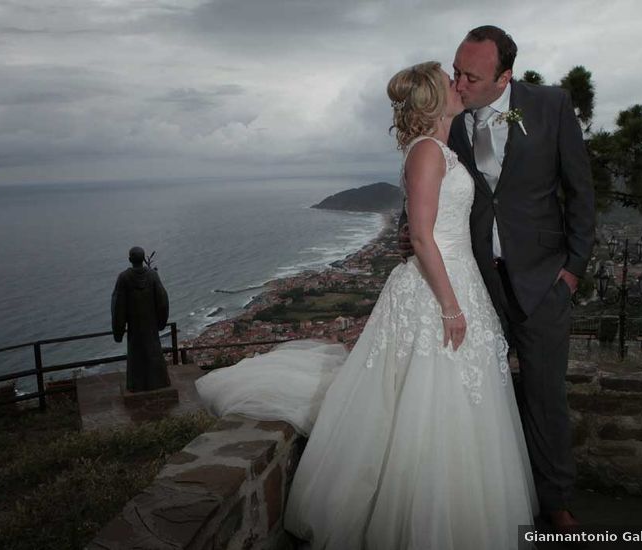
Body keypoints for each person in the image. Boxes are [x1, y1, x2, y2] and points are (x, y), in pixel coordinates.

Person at [196, 61, 537, 549]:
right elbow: (421, 236)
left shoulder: (443, 149)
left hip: (458, 280)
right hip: (437, 291)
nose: (459, 85)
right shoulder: (426, 153)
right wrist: (450, 307)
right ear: (433, 100)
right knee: (427, 399)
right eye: (450, 81)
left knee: (462, 400)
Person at [400, 26, 595, 534]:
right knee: (475, 395)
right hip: (474, 284)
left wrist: (572, 271)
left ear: (505, 76)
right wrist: (415, 234)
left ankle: (556, 504)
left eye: (472, 76)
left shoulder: (551, 106)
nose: (459, 83)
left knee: (546, 398)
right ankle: (477, 501)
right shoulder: (449, 120)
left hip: (543, 282)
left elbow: (581, 192)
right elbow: (433, 195)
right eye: (456, 70)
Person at [111, 246, 172, 392]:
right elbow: (163, 300)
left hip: (134, 326)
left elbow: (117, 306)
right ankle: (159, 382)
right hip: (150, 325)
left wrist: (118, 332)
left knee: (135, 356)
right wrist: (161, 322)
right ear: (143, 258)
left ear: (130, 259)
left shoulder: (124, 278)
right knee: (154, 352)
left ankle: (136, 385)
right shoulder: (152, 276)